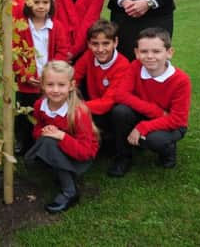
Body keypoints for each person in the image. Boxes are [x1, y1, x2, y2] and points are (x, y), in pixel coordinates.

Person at [107, 27, 191, 177]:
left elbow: (177, 119)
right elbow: (120, 95)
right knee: (120, 111)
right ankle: (124, 157)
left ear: (169, 53)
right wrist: (156, 112)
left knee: (155, 139)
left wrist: (142, 127)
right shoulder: (136, 66)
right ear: (137, 53)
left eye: (156, 51)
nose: (150, 56)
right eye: (144, 51)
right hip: (152, 114)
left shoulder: (181, 80)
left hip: (172, 123)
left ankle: (168, 152)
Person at [24, 61, 99, 213]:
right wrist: (45, 130)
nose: (55, 90)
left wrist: (61, 136)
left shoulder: (79, 112)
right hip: (58, 149)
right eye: (50, 85)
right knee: (47, 141)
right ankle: (58, 170)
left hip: (80, 158)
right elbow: (37, 129)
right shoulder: (40, 105)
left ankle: (70, 192)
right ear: (42, 85)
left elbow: (86, 152)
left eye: (61, 85)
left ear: (71, 85)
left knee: (49, 143)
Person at [12, 0, 69, 155]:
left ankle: (42, 143)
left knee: (44, 112)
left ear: (51, 4)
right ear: (28, 3)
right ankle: (22, 142)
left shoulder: (56, 26)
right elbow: (14, 53)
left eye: (45, 2)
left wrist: (51, 74)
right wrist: (25, 74)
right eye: (36, 2)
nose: (41, 6)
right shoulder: (21, 27)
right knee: (24, 113)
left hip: (49, 81)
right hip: (27, 82)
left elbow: (62, 50)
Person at [73, 20, 130, 145]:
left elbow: (108, 102)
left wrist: (76, 107)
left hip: (113, 110)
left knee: (120, 112)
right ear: (88, 44)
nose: (100, 49)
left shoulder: (123, 65)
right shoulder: (88, 56)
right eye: (95, 44)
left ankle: (118, 146)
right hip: (95, 105)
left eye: (106, 44)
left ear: (115, 42)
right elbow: (73, 77)